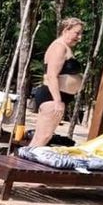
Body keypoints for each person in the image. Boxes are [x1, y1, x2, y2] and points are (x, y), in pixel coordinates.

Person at [30, 17, 85, 147]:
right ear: (66, 30)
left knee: (42, 137)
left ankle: (23, 158)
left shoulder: (65, 47)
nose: (79, 37)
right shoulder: (59, 47)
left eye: (81, 34)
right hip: (52, 96)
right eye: (77, 33)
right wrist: (57, 101)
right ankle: (23, 159)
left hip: (57, 97)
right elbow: (51, 75)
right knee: (43, 137)